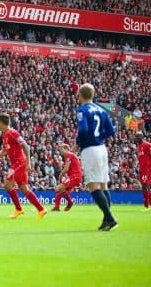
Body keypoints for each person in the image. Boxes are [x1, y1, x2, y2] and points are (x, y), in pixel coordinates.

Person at [0, 113, 47, 219]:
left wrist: (28, 162)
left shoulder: (13, 133)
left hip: (20, 163)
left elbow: (26, 147)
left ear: (1, 123)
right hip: (17, 164)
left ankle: (19, 209)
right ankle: (41, 209)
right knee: (24, 188)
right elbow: (4, 151)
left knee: (7, 185)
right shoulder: (5, 135)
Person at [75, 83, 117, 231]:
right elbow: (111, 130)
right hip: (101, 148)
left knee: (93, 186)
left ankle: (110, 218)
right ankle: (107, 220)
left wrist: (78, 143)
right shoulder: (101, 110)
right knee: (103, 184)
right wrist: (99, 138)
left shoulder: (82, 110)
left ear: (80, 95)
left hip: (90, 150)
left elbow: (83, 130)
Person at [52, 144, 82, 212]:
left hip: (75, 176)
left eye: (62, 149)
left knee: (58, 188)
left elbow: (66, 169)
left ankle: (70, 202)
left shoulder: (69, 155)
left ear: (66, 149)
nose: (60, 151)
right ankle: (57, 207)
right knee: (59, 190)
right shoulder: (69, 156)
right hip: (74, 177)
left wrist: (60, 175)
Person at [135, 132, 151, 211]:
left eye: (137, 136)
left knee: (145, 185)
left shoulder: (147, 145)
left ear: (141, 137)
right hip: (141, 169)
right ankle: (147, 204)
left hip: (147, 168)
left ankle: (147, 205)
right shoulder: (139, 146)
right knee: (144, 186)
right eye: (136, 136)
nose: (136, 138)